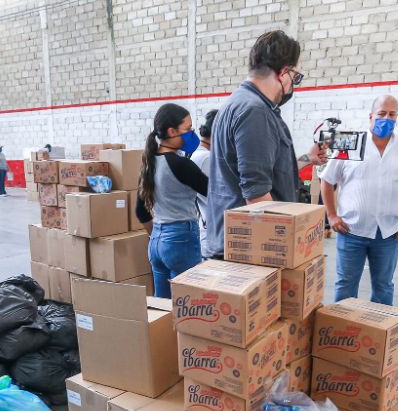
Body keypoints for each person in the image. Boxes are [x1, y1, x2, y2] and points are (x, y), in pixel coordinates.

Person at [204, 30, 326, 259]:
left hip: (237, 243)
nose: (294, 84)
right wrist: (291, 246)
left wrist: (307, 158)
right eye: (295, 77)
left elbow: (263, 170)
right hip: (251, 249)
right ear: (283, 73)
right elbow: (257, 196)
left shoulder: (236, 104)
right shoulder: (255, 112)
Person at [320, 94, 398, 305]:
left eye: (392, 114)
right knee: (346, 283)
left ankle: (380, 324)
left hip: (389, 232)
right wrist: (331, 216)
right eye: (382, 113)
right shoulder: (349, 142)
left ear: (397, 117)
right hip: (350, 229)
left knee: (383, 285)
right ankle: (342, 324)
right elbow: (327, 180)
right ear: (370, 116)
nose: (386, 118)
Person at [136, 103, 207, 298]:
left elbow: (141, 211)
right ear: (171, 131)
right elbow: (214, 192)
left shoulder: (149, 163)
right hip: (181, 241)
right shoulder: (181, 164)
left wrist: (160, 233)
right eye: (188, 128)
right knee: (187, 304)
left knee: (163, 307)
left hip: (156, 243)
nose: (192, 133)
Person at [191, 109, 217, 257]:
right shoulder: (206, 158)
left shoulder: (198, 154)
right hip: (212, 234)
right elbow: (217, 197)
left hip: (208, 230)